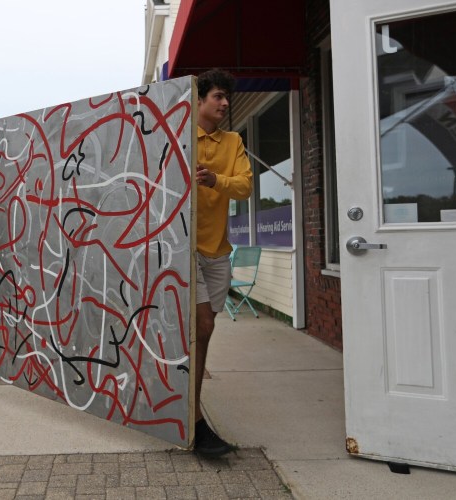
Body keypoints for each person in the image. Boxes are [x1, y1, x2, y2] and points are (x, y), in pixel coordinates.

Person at [193, 69, 253, 455]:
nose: (225, 103)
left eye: (226, 97)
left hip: (218, 250)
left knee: (203, 330)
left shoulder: (234, 141)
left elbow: (245, 186)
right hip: (183, 249)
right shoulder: (179, 137)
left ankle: (186, 404)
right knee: (204, 321)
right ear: (198, 100)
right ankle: (194, 419)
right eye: (217, 96)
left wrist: (216, 181)